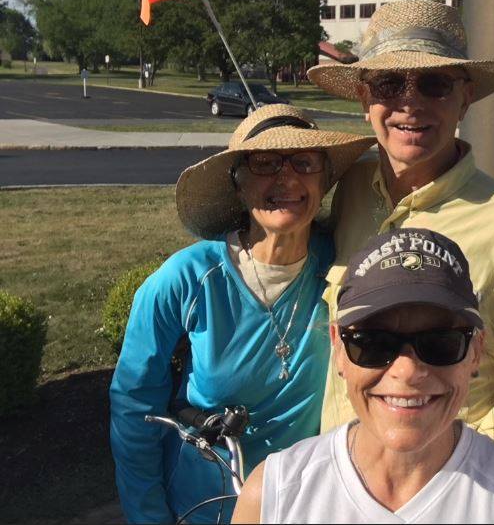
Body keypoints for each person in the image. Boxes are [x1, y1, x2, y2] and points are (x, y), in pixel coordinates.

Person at [307, 0, 494, 467]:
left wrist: (459, 488)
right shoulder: (351, 192)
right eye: (389, 84)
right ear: (365, 99)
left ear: (465, 98)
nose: (410, 103)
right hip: (340, 479)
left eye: (434, 84)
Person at [109, 104, 374, 523]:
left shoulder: (342, 266)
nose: (287, 178)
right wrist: (149, 516)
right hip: (206, 507)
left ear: (324, 180)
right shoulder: (188, 279)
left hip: (308, 506)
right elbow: (134, 405)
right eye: (265, 163)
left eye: (305, 162)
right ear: (238, 182)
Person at [232, 228, 494, 524]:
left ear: (476, 351)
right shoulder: (274, 497)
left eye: (440, 342)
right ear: (338, 348)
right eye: (372, 343)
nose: (407, 371)